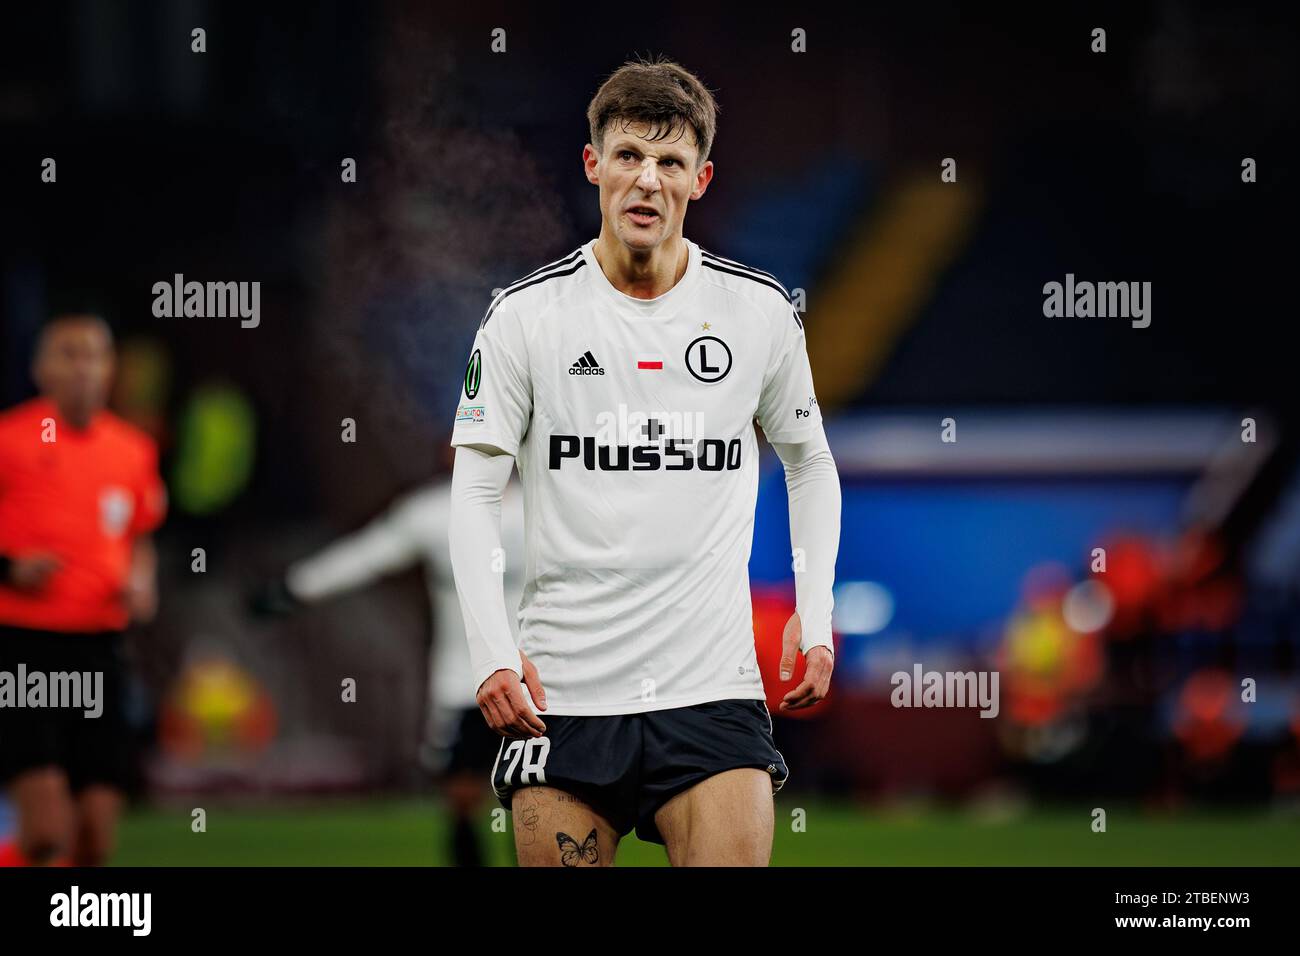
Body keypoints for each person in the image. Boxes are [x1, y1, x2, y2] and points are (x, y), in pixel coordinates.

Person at [447, 55, 841, 866]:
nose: (647, 180)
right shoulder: (526, 317)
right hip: (562, 695)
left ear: (700, 179)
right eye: (629, 155)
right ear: (594, 165)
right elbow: (474, 489)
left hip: (713, 694)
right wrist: (489, 648)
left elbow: (809, 462)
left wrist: (816, 608)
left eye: (670, 162)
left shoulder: (757, 313)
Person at [249, 477, 525, 866]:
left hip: (535, 679)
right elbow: (368, 554)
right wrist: (296, 588)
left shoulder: (545, 505)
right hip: (464, 681)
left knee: (532, 792)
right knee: (462, 793)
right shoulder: (433, 513)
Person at [0, 314, 166, 866]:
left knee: (95, 836)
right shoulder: (10, 439)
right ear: (39, 368)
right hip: (24, 645)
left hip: (100, 647)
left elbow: (140, 534)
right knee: (48, 829)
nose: (82, 367)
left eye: (93, 355)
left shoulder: (131, 450)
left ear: (110, 369)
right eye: (68, 354)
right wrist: (9, 568)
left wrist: (141, 580)